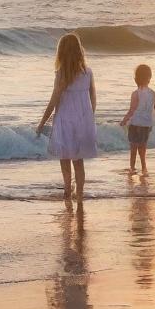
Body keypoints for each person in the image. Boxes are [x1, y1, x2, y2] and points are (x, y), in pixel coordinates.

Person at [36, 33, 98, 206]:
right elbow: (93, 97)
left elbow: (54, 99)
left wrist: (42, 122)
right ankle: (79, 195)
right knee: (79, 161)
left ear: (61, 52)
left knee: (65, 158)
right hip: (83, 120)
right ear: (79, 51)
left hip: (65, 119)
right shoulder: (88, 72)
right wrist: (89, 116)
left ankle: (67, 190)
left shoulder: (62, 73)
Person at [120, 63, 155, 174]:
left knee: (133, 149)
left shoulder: (135, 94)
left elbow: (132, 110)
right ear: (149, 78)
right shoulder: (153, 93)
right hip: (147, 125)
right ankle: (144, 168)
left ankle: (132, 169)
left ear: (136, 78)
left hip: (135, 124)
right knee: (142, 149)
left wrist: (124, 121)